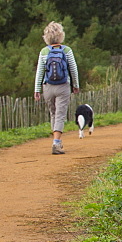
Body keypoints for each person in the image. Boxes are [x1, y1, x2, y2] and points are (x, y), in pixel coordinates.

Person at [33, 22, 80, 154]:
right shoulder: (67, 50)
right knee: (60, 114)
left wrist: (37, 90)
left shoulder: (44, 51)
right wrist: (75, 85)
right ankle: (56, 143)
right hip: (63, 86)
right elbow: (73, 69)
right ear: (61, 36)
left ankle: (56, 139)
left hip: (47, 87)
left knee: (53, 113)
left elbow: (40, 72)